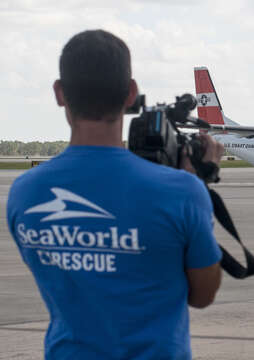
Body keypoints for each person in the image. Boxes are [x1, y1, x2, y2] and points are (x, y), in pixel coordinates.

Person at [7, 29, 224, 359]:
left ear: (59, 93)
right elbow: (203, 294)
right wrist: (199, 188)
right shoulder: (181, 191)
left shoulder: (26, 192)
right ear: (131, 94)